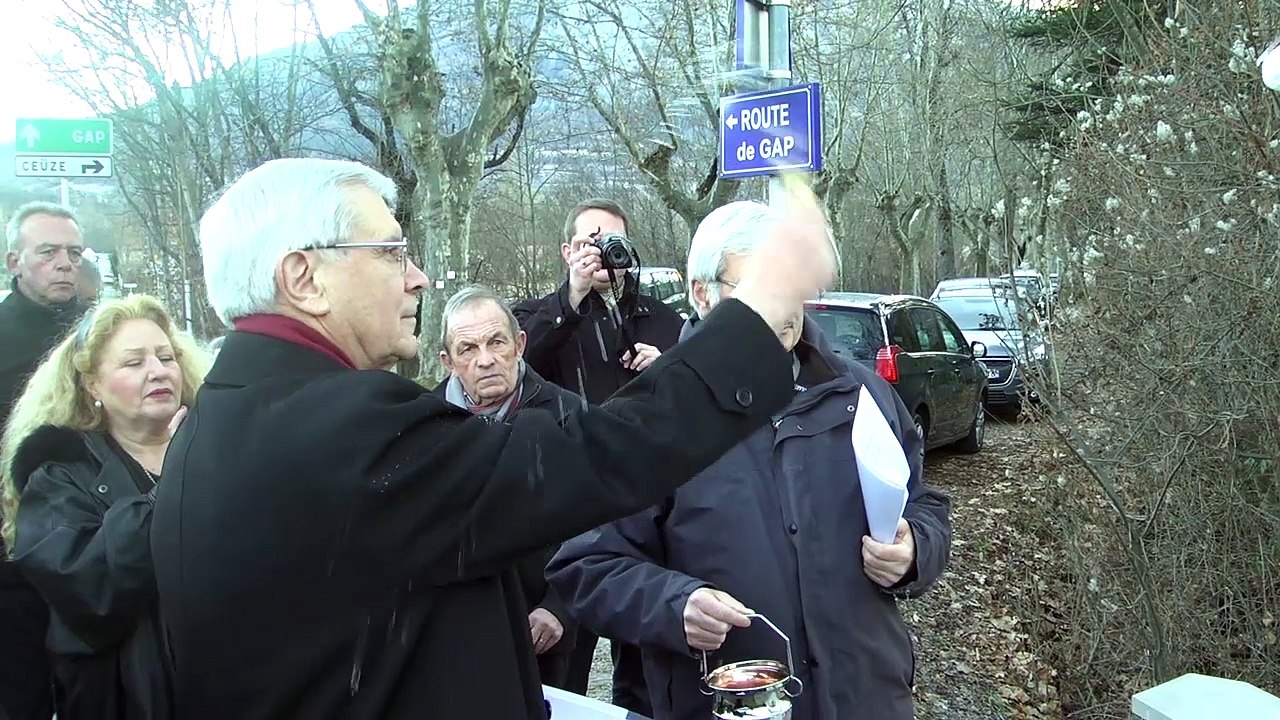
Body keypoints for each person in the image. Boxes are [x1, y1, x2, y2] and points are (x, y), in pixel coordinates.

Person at [148, 158, 833, 720]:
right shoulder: (334, 431)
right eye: (390, 253)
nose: (416, 277)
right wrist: (758, 311)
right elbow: (596, 455)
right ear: (304, 278)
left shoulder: (218, 419)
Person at [547, 201, 953, 720]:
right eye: (761, 289)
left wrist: (916, 548)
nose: (783, 308)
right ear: (703, 294)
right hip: (730, 701)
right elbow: (585, 565)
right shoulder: (652, 418)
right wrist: (675, 606)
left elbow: (924, 503)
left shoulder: (861, 393)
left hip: (868, 697)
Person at [512, 199, 684, 712]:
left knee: (646, 663)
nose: (603, 253)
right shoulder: (535, 317)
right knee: (563, 666)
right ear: (566, 251)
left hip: (645, 505)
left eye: (613, 243)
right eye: (590, 242)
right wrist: (573, 297)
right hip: (569, 506)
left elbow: (695, 409)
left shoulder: (664, 320)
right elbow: (519, 369)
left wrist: (669, 368)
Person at [0, 294, 208, 719]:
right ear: (92, 385)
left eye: (166, 357)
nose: (157, 371)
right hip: (128, 701)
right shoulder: (59, 475)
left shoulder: (217, 447)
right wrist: (174, 485)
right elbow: (91, 589)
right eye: (133, 363)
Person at [435, 285, 581, 690]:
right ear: (448, 361)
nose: (485, 360)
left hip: (546, 632)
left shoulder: (570, 416)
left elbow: (599, 525)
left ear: (519, 344)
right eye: (468, 349)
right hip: (454, 636)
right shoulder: (424, 424)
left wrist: (560, 608)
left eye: (496, 342)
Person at [0, 200, 89, 720]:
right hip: (14, 551)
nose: (64, 264)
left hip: (92, 541)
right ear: (15, 261)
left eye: (74, 253)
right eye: (49, 252)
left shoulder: (97, 332)